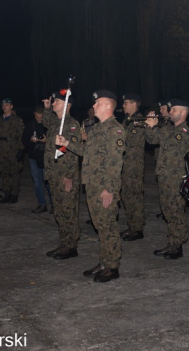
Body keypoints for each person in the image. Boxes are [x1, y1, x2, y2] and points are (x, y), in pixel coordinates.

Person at [56, 90, 124, 282]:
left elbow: (115, 161)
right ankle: (104, 261)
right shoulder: (97, 129)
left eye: (98, 104)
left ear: (108, 106)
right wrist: (67, 143)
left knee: (108, 226)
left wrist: (109, 188)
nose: (94, 106)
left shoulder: (115, 130)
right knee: (100, 226)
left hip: (104, 187)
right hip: (93, 185)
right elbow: (87, 151)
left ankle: (112, 266)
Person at [145, 99, 189, 259]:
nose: (170, 112)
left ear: (183, 112)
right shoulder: (169, 129)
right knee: (167, 210)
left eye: (174, 109)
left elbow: (170, 145)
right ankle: (171, 241)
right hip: (164, 176)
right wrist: (149, 127)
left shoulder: (184, 131)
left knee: (176, 210)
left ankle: (178, 244)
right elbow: (152, 140)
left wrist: (155, 126)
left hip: (175, 176)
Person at [43, 90, 82, 260]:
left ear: (66, 105)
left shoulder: (71, 125)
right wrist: (46, 109)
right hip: (54, 175)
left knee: (68, 211)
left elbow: (72, 152)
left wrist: (69, 176)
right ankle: (64, 243)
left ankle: (71, 246)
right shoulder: (56, 123)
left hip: (65, 175)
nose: (53, 104)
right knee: (59, 211)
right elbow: (45, 121)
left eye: (56, 102)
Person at [120, 93, 147, 241]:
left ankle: (137, 228)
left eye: (126, 103)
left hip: (133, 165)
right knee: (127, 195)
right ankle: (132, 225)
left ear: (134, 104)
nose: (123, 105)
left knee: (134, 196)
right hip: (126, 164)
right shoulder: (128, 120)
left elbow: (130, 143)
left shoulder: (138, 121)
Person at [0, 98, 24, 204]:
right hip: (1, 149)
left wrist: (21, 150)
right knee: (4, 173)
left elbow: (21, 136)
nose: (4, 106)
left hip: (13, 149)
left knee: (15, 173)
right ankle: (7, 193)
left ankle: (14, 194)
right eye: (3, 105)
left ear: (11, 106)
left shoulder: (17, 120)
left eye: (7, 104)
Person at [22, 105, 52, 213]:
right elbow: (23, 140)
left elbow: (57, 141)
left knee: (48, 182)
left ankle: (54, 206)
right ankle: (42, 204)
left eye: (41, 117)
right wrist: (30, 140)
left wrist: (47, 141)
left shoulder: (50, 125)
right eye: (37, 117)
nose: (39, 119)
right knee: (37, 182)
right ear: (34, 114)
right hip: (33, 157)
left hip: (46, 157)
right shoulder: (30, 124)